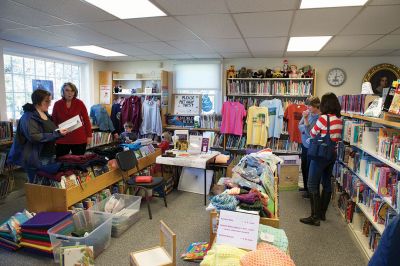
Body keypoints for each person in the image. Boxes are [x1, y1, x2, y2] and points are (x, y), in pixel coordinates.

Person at [300, 92, 343, 226]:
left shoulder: (324, 118)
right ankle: (322, 214)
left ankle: (314, 217)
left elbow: (312, 133)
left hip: (320, 154)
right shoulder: (338, 119)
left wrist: (307, 122)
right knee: (326, 183)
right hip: (331, 154)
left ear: (325, 104)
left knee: (312, 184)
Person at [7, 89, 68, 183]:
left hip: (49, 154)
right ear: (38, 101)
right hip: (36, 157)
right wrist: (56, 134)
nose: (49, 104)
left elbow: (50, 132)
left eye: (50, 101)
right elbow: (34, 136)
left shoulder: (45, 114)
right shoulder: (28, 116)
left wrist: (60, 133)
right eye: (47, 101)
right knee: (37, 186)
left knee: (47, 184)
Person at [52, 82, 92, 157]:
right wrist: (54, 137)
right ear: (63, 92)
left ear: (75, 92)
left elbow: (86, 120)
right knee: (62, 163)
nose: (69, 93)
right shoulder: (57, 104)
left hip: (79, 138)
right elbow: (54, 122)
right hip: (62, 139)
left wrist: (89, 136)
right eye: (67, 90)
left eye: (72, 91)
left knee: (78, 163)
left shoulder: (80, 103)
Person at [298, 96, 320, 198]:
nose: (308, 107)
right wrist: (305, 127)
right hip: (304, 144)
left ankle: (310, 190)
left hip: (312, 146)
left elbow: (310, 133)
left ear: (316, 106)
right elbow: (299, 125)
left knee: (309, 168)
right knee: (304, 166)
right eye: (307, 105)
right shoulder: (307, 113)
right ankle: (306, 187)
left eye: (310, 105)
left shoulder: (319, 118)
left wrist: (305, 122)